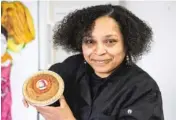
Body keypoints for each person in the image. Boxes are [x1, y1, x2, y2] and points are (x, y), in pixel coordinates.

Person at [23, 4, 164, 120]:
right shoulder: (72, 66)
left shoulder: (143, 89)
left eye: (110, 41)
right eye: (90, 41)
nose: (99, 51)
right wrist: (33, 92)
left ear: (126, 43)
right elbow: (46, 82)